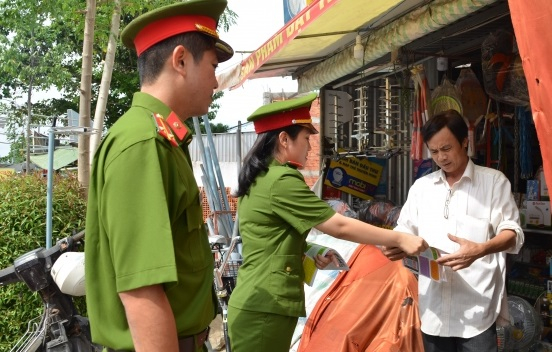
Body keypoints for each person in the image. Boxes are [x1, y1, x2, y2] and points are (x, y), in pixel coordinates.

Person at [84, 1, 233, 351]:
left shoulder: (163, 140)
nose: (215, 81)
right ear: (180, 60)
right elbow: (141, 292)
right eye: (212, 66)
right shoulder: (143, 144)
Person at [226, 93, 428, 352]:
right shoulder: (281, 181)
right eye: (306, 139)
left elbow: (270, 237)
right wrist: (399, 238)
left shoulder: (259, 177)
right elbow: (339, 226)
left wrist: (312, 251)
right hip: (266, 306)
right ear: (284, 140)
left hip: (259, 302)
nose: (310, 147)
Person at [381, 109, 525, 352]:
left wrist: (481, 249)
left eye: (446, 149)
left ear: (465, 142)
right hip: (433, 310)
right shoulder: (422, 187)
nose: (441, 157)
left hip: (476, 310)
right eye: (434, 151)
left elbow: (512, 232)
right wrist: (395, 245)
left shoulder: (493, 182)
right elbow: (404, 230)